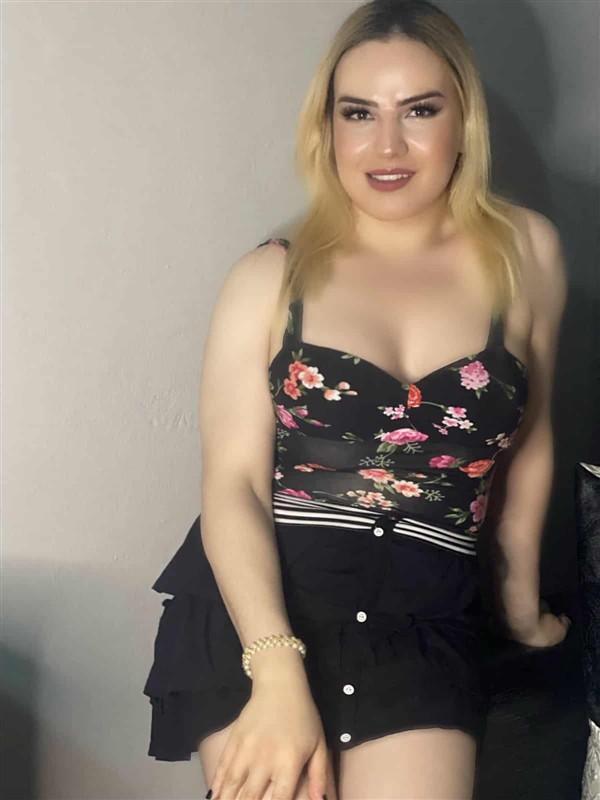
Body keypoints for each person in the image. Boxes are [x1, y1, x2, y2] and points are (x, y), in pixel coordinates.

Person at [142, 1, 571, 797]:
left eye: (420, 111)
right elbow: (233, 484)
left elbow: (531, 440)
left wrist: (519, 610)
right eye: (359, 113)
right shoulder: (269, 279)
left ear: (464, 121)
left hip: (424, 616)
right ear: (328, 125)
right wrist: (275, 672)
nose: (387, 146)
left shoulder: (527, 253)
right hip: (264, 609)